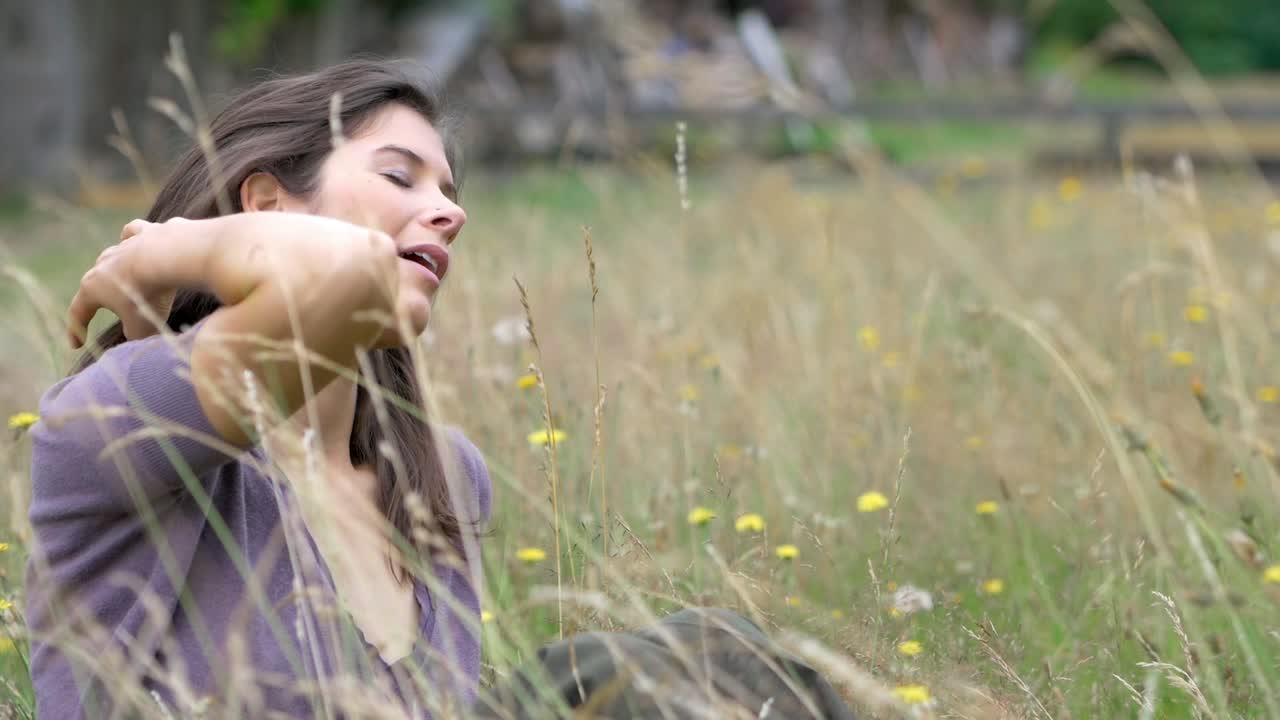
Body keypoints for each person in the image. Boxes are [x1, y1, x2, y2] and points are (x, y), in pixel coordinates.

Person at [23, 59, 490, 718]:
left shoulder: (445, 477)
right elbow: (350, 276)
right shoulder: (119, 422)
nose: (452, 212)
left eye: (447, 190)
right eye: (398, 176)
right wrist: (171, 248)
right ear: (267, 206)